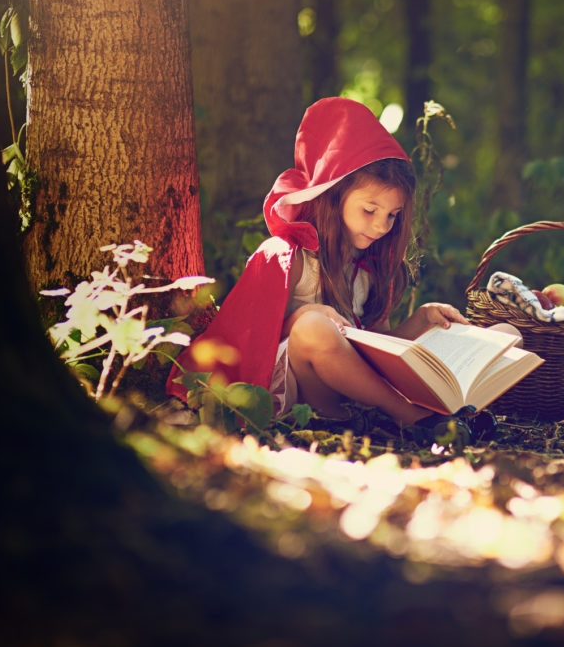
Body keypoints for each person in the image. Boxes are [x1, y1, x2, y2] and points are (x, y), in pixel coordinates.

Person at [167, 97, 499, 442]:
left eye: (392, 215)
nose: (382, 226)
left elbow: (376, 351)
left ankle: (442, 413)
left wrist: (422, 319)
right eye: (369, 210)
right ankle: (414, 419)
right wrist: (303, 315)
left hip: (354, 392)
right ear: (335, 196)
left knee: (505, 332)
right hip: (299, 394)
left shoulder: (368, 270)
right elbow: (249, 338)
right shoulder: (287, 257)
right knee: (313, 327)